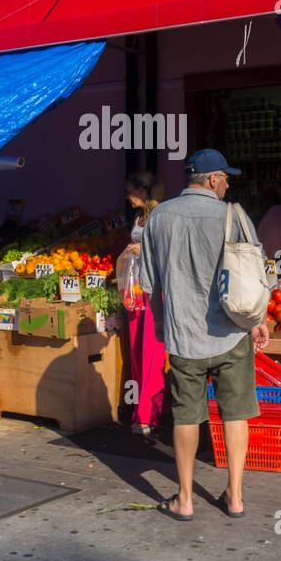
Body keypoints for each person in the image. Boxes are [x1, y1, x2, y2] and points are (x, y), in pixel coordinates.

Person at [139, 149, 269, 521]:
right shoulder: (235, 216)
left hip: (184, 337)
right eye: (226, 178)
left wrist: (162, 322)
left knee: (185, 417)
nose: (228, 184)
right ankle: (236, 497)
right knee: (235, 414)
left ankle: (185, 499)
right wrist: (259, 320)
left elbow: (151, 284)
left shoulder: (159, 217)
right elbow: (256, 276)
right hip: (232, 334)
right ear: (212, 179)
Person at [124, 171, 166, 436]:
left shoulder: (161, 215)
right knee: (136, 350)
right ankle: (139, 408)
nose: (127, 196)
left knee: (152, 351)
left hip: (155, 290)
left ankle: (150, 415)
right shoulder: (139, 217)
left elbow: (168, 250)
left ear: (142, 191)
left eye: (130, 190)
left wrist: (144, 249)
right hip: (136, 288)